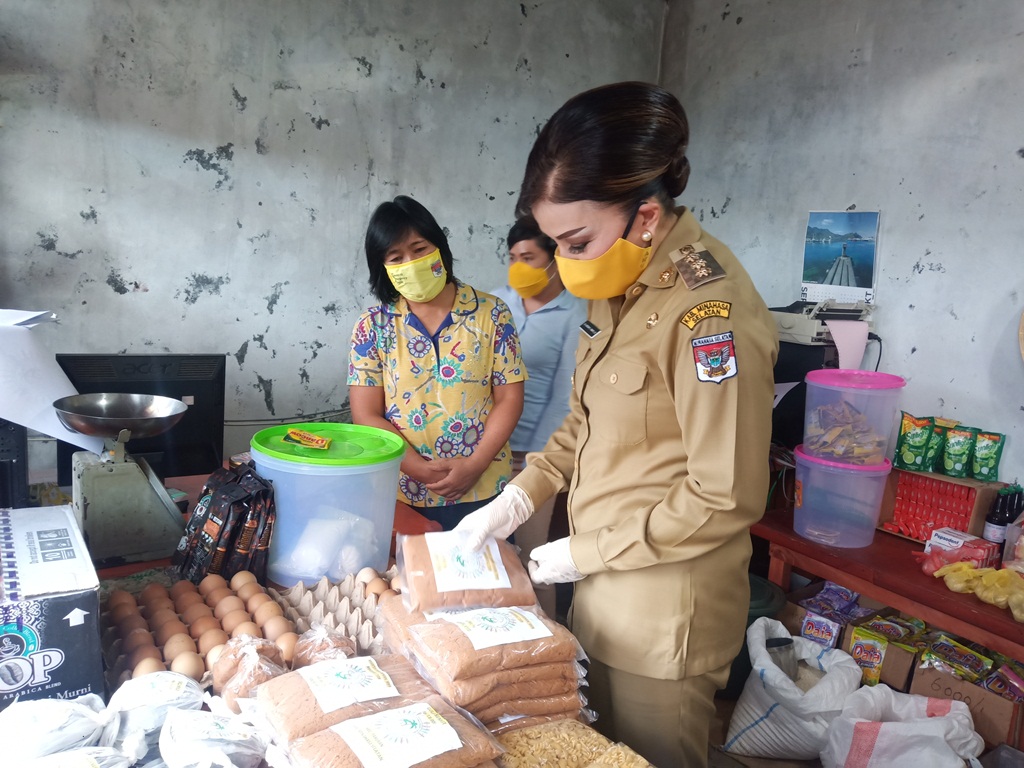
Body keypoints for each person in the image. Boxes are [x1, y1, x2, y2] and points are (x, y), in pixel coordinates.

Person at [455, 82, 779, 767]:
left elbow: (725, 494)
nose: (565, 263)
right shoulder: (621, 288)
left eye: (576, 241)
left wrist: (583, 553)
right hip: (601, 602)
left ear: (647, 215)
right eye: (554, 243)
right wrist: (519, 496)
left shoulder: (707, 313)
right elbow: (582, 423)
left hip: (665, 620)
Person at [347, 195, 526, 530]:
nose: (411, 263)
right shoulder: (371, 326)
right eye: (396, 257)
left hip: (485, 487)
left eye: (419, 249)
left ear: (440, 249)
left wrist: (475, 463)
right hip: (403, 491)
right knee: (411, 578)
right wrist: (417, 468)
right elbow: (366, 414)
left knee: (489, 580)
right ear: (382, 267)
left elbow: (509, 397)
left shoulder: (492, 313)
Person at [491, 217, 587, 619]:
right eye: (513, 257)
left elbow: (567, 396)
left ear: (553, 259)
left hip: (535, 454)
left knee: (531, 560)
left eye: (528, 257)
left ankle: (551, 639)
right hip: (486, 448)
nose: (518, 267)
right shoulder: (496, 301)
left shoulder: (576, 311)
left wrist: (534, 455)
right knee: (490, 553)